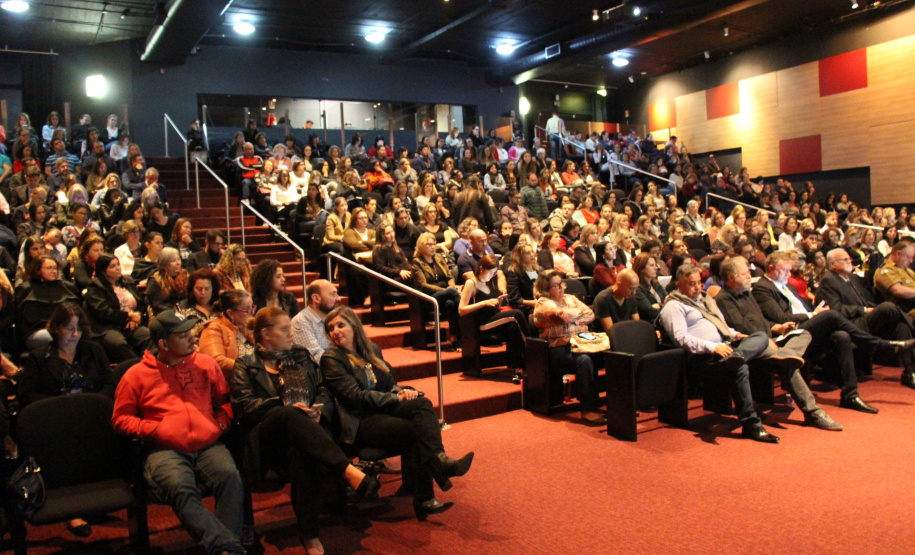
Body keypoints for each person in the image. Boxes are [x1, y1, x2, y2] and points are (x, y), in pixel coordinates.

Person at [231, 308, 379, 553]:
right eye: (284, 329)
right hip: (267, 442)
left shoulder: (301, 356)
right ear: (266, 334)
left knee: (302, 455)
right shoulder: (246, 364)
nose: (291, 333)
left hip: (306, 437)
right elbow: (245, 408)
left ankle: (310, 536)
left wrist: (319, 410)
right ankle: (346, 469)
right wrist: (283, 405)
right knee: (289, 413)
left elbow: (323, 390)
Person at [112, 310, 247, 555]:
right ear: (163, 344)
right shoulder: (136, 375)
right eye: (183, 335)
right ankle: (228, 547)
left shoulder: (206, 364)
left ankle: (226, 548)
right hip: (164, 448)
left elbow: (225, 403)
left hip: (207, 443)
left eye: (190, 333)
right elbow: (120, 419)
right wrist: (154, 429)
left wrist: (220, 424)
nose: (192, 338)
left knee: (230, 478)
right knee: (179, 486)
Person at [320, 306, 473, 521]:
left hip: (383, 408)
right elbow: (356, 397)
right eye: (331, 328)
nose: (335, 331)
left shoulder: (371, 350)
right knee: (416, 429)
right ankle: (427, 493)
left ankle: (439, 461)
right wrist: (395, 398)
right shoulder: (332, 358)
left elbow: (389, 383)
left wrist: (401, 392)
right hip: (360, 420)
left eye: (340, 325)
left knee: (422, 403)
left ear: (354, 326)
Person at [753, 251, 912, 414]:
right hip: (788, 334)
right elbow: (781, 317)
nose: (789, 274)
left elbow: (803, 308)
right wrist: (813, 315)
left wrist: (815, 310)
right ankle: (881, 344)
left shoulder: (789, 287)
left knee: (841, 336)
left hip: (805, 330)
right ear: (771, 269)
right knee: (831, 315)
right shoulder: (763, 289)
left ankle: (850, 395)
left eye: (789, 270)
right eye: (785, 270)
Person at [713, 257, 844, 431]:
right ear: (730, 278)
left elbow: (762, 321)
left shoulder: (747, 294)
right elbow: (742, 328)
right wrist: (767, 340)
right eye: (744, 274)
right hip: (752, 345)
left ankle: (784, 354)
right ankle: (813, 412)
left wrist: (778, 327)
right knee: (789, 366)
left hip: (771, 340)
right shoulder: (724, 299)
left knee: (803, 333)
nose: (749, 276)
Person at [19, 302, 113, 537]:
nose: (75, 334)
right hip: (57, 421)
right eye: (69, 328)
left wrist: (96, 404)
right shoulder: (39, 358)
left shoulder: (93, 351)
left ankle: (99, 494)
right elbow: (27, 394)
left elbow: (110, 383)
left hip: (92, 416)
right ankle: (73, 510)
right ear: (56, 328)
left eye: (79, 329)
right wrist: (60, 408)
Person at [659, 264, 781, 443]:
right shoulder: (674, 306)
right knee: (739, 368)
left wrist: (736, 335)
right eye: (691, 284)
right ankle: (751, 424)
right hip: (701, 358)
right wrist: (712, 347)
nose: (697, 287)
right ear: (679, 284)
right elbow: (681, 339)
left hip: (726, 349)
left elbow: (722, 327)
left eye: (699, 282)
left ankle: (738, 357)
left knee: (761, 337)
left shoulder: (705, 300)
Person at [819, 248, 915, 389]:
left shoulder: (852, 278)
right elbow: (836, 309)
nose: (849, 261)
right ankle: (913, 324)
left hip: (865, 319)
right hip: (851, 323)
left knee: (901, 325)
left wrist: (870, 308)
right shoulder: (829, 280)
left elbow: (865, 301)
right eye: (844, 260)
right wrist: (863, 310)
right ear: (832, 264)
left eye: (849, 259)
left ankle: (910, 373)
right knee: (888, 307)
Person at [533, 269, 603, 424]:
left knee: (607, 354)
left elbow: (590, 314)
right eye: (556, 285)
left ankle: (610, 403)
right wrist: (577, 316)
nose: (561, 288)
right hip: (557, 349)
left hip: (581, 343)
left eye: (561, 283)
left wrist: (571, 318)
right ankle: (587, 410)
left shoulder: (570, 298)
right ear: (545, 289)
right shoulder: (542, 303)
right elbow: (561, 317)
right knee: (584, 360)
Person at [458, 255, 527, 382]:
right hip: (482, 322)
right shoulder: (471, 283)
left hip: (494, 318)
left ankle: (519, 369)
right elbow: (461, 310)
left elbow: (493, 305)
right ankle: (532, 345)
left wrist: (498, 300)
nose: (491, 275)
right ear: (481, 268)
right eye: (490, 272)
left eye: (494, 273)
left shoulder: (490, 282)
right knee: (516, 314)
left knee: (513, 328)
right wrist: (484, 303)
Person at [84, 254, 151, 362]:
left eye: (118, 264)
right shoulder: (95, 286)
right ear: (103, 271)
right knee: (119, 343)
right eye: (112, 266)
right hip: (107, 327)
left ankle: (150, 365)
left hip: (129, 323)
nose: (118, 268)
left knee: (148, 336)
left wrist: (136, 318)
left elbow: (141, 304)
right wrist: (128, 316)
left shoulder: (127, 281)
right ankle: (136, 367)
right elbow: (102, 312)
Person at [15, 255, 82, 351]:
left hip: (66, 328)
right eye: (49, 268)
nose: (54, 271)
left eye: (55, 268)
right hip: (38, 330)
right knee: (55, 337)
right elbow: (21, 319)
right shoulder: (26, 289)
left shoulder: (67, 287)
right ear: (38, 270)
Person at [411, 232, 462, 346]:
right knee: (452, 293)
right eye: (429, 244)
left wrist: (451, 286)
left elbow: (449, 277)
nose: (433, 247)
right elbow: (423, 285)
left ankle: (455, 339)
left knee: (450, 304)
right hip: (429, 298)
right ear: (421, 246)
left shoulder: (438, 257)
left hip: (447, 295)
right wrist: (445, 291)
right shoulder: (416, 262)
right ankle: (467, 315)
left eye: (434, 244)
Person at [199, 289, 256, 383]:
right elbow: (216, 361)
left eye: (252, 307)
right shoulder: (214, 329)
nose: (252, 312)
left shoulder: (249, 327)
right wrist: (253, 367)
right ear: (230, 313)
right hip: (232, 385)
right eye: (246, 309)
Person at [291, 280, 339, 363]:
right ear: (316, 298)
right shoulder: (301, 321)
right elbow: (316, 357)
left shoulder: (334, 318)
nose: (338, 298)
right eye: (333, 294)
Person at [593, 268, 641, 334]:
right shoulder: (603, 299)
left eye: (635, 289)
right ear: (619, 284)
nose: (634, 292)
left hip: (624, 333)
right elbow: (610, 331)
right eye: (631, 288)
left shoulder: (631, 297)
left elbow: (636, 324)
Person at [874, 240, 915, 317]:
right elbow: (897, 290)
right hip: (907, 309)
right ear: (898, 254)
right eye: (908, 257)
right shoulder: (887, 270)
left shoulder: (905, 268)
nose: (911, 261)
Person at [146, 247, 189, 315]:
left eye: (178, 259)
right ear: (164, 263)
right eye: (173, 261)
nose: (178, 263)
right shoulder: (155, 280)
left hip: (186, 311)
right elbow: (157, 305)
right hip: (165, 314)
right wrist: (176, 312)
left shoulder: (186, 276)